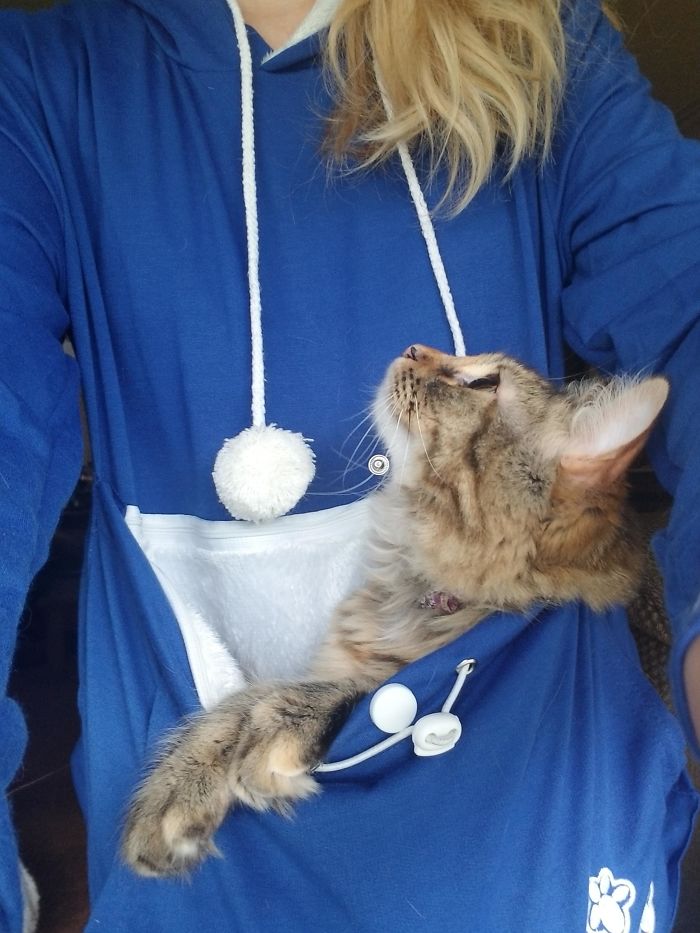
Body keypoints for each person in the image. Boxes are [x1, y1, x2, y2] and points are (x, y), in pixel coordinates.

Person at [1, 0, 699, 930]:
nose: (419, 357)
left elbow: (685, 291)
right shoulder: (49, 74)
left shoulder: (545, 37)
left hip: (544, 825)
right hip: (211, 869)